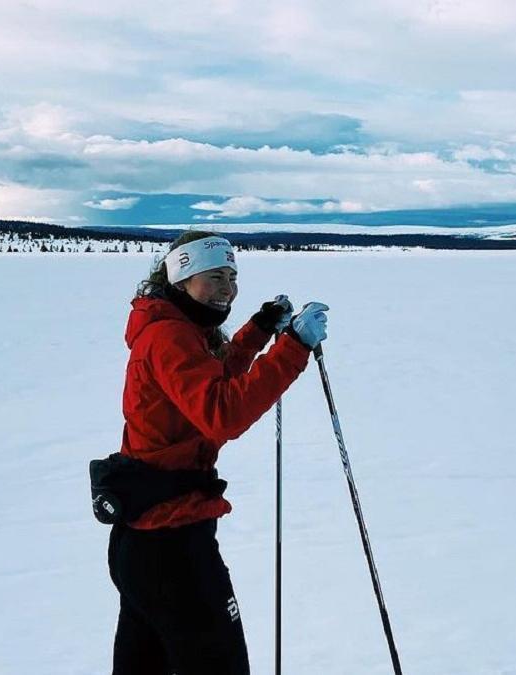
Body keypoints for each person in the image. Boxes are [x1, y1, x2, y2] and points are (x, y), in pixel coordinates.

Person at [107, 230, 329, 674]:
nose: (227, 287)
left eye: (232, 276)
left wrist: (259, 331)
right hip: (171, 543)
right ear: (181, 278)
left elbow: (212, 377)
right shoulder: (169, 337)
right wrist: (292, 349)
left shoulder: (177, 329)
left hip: (147, 538)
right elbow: (222, 413)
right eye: (214, 276)